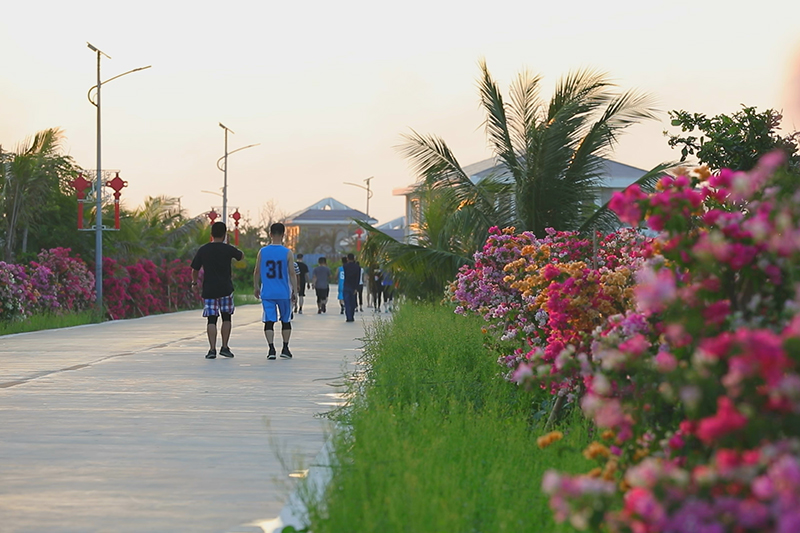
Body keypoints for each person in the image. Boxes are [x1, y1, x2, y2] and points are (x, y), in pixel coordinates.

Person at [191, 221, 244, 359]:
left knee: (211, 320)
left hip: (209, 290)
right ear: (225, 234)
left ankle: (212, 349)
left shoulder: (204, 249)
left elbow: (195, 269)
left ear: (211, 234)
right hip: (226, 288)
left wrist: (194, 282)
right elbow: (241, 256)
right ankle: (225, 347)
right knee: (226, 318)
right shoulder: (228, 249)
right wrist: (231, 245)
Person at [254, 223, 298, 360]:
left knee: (269, 320)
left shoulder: (262, 251)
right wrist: (295, 291)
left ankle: (271, 349)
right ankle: (285, 348)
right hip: (284, 292)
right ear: (283, 235)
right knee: (286, 320)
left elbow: (257, 271)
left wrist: (256, 286)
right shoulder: (287, 252)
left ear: (270, 234)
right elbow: (292, 273)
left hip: (267, 292)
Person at [343, 253, 360, 322]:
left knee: (347, 302)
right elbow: (358, 278)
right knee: (352, 302)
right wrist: (356, 288)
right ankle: (352, 316)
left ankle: (348, 317)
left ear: (347, 258)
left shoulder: (345, 266)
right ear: (354, 258)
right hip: (353, 287)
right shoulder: (357, 267)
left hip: (346, 285)